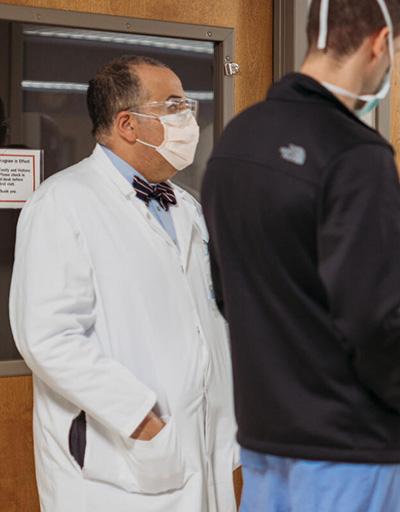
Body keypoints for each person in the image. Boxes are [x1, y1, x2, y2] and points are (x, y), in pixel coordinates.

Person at [201, 1, 400, 511]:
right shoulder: (356, 153)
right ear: (380, 43)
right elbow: (376, 318)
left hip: (266, 440)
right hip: (350, 446)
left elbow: (226, 292)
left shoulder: (237, 139)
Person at [9, 55, 237, 511]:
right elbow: (49, 338)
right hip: (123, 457)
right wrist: (141, 420)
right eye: (173, 106)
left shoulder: (186, 208)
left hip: (199, 446)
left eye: (187, 106)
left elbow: (204, 318)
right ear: (128, 125)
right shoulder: (62, 203)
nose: (188, 119)